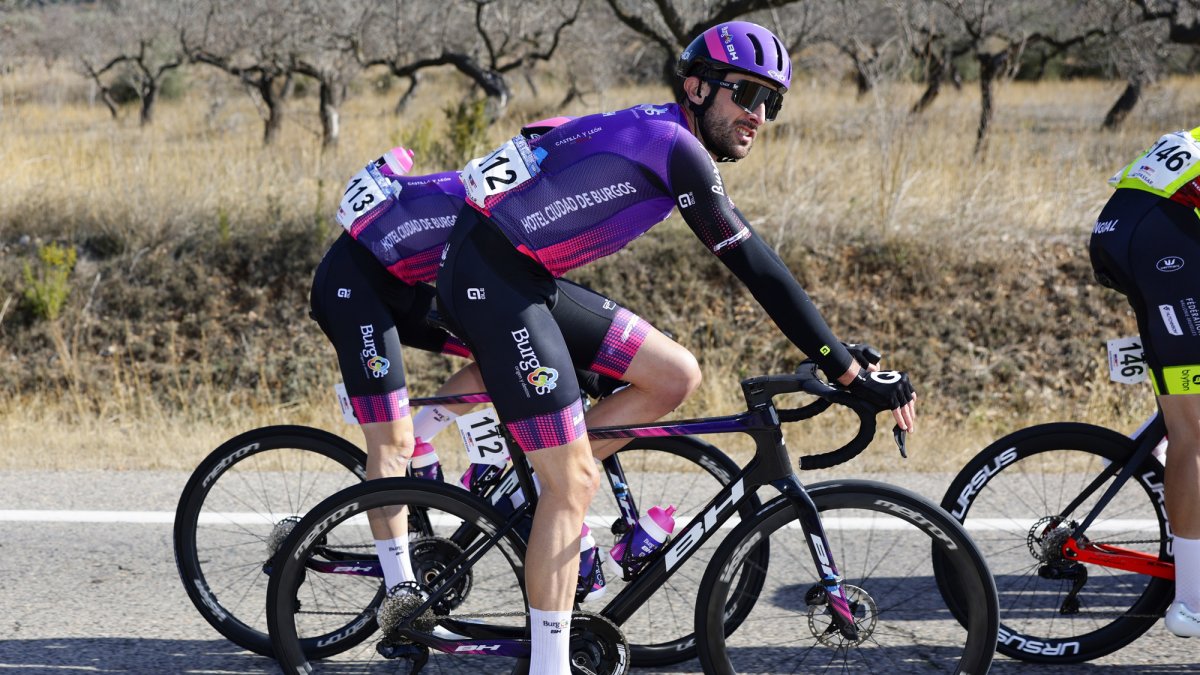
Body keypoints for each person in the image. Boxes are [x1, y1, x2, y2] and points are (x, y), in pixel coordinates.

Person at [436, 21, 917, 673]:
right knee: (574, 479)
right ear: (695, 85)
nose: (758, 114)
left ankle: (533, 487)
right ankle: (549, 658)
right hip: (490, 274)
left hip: (521, 271)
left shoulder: (666, 134)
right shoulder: (674, 146)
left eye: (771, 102)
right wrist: (846, 367)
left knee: (672, 374)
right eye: (746, 93)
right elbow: (755, 263)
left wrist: (836, 349)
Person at [311, 119, 690, 601]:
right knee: (394, 443)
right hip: (355, 287)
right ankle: (400, 587)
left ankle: (453, 451)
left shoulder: (534, 203)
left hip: (417, 287)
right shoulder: (510, 205)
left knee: (507, 359)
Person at [1091, 127, 1200, 637]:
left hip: (1136, 228)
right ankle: (1193, 604)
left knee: (1185, 415)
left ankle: (1152, 446)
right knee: (1194, 433)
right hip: (1160, 239)